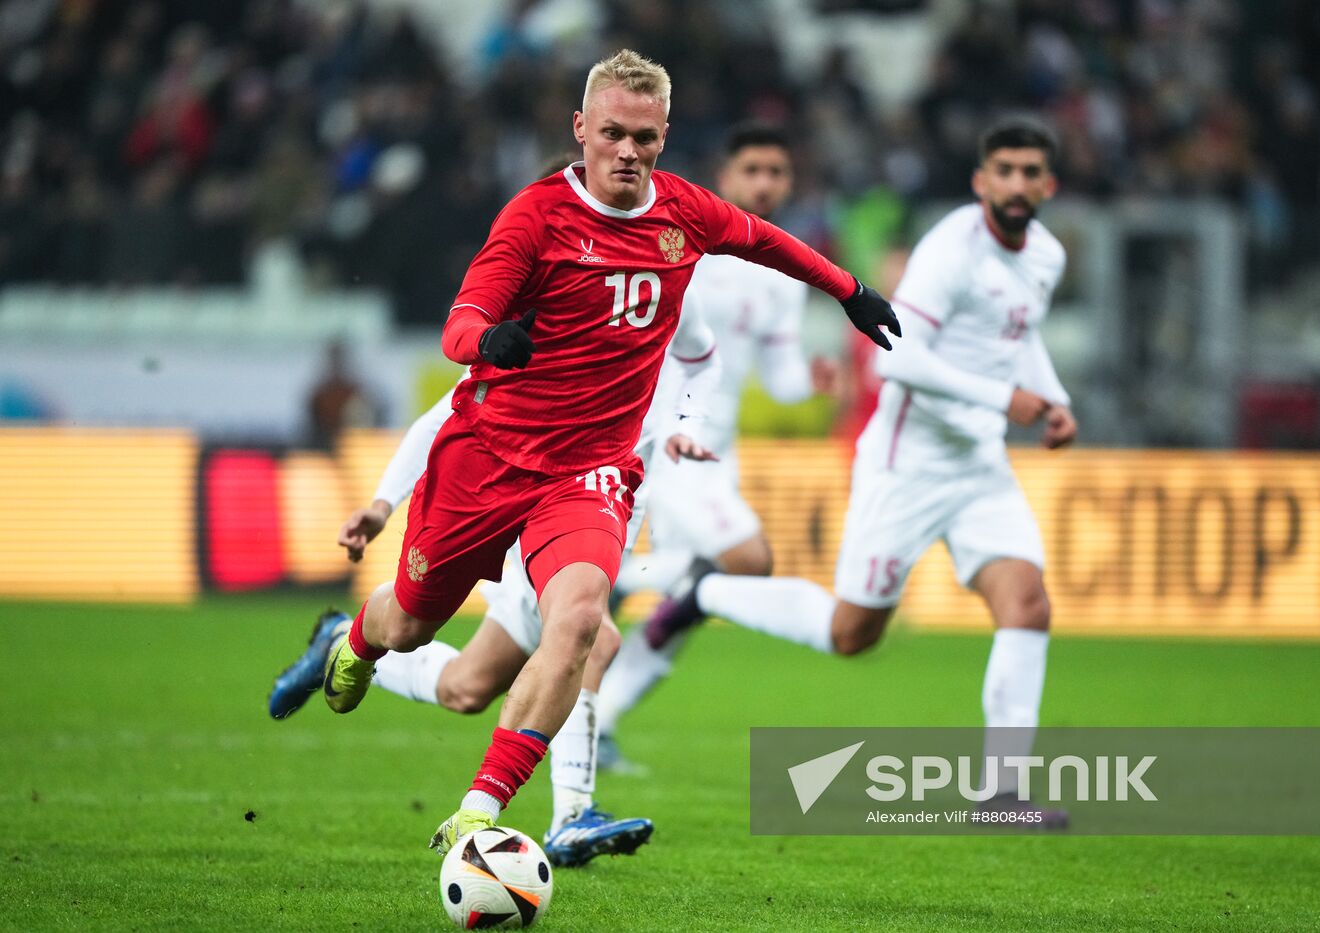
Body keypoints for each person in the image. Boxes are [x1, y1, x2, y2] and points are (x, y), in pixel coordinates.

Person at [311, 49, 899, 855]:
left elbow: (767, 243)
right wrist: (491, 338)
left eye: (647, 138)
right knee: (412, 627)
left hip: (589, 475)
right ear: (581, 130)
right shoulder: (534, 216)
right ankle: (353, 642)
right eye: (614, 134)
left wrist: (850, 291)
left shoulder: (683, 213)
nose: (629, 152)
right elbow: (460, 326)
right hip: (488, 461)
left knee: (584, 619)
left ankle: (483, 812)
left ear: (665, 137)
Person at [641, 119, 1075, 824]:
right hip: (907, 464)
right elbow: (895, 357)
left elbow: (1020, 340)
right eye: (1006, 170)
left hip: (980, 463)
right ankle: (710, 592)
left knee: (1027, 603)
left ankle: (1001, 791)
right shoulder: (950, 253)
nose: (1019, 184)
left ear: (1049, 184)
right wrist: (1007, 399)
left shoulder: (1046, 256)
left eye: (1032, 172)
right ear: (981, 180)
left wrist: (1053, 399)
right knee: (852, 634)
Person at [270, 280, 721, 866]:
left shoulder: (667, 305)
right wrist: (382, 504)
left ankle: (341, 638)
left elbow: (702, 361)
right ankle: (571, 818)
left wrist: (691, 425)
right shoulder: (561, 326)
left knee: (468, 686)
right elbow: (447, 414)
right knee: (594, 636)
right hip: (539, 517)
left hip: (600, 522)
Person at [595, 123, 837, 766]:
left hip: (713, 456)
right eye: (752, 169)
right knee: (746, 561)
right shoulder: (684, 241)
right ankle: (619, 581)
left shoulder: (784, 272)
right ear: (726, 177)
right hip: (660, 438)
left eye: (777, 171)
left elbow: (780, 380)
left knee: (692, 601)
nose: (765, 183)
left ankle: (603, 717)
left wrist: (811, 382)